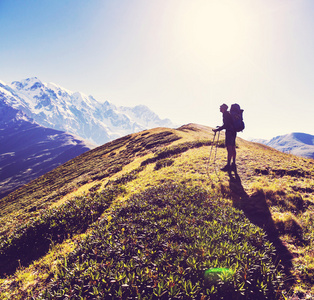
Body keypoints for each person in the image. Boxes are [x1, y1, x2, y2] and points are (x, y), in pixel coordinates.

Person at [213, 104, 237, 172]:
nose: (219, 109)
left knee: (229, 148)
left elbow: (226, 125)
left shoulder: (225, 114)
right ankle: (234, 164)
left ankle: (228, 165)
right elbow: (227, 124)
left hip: (229, 132)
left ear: (223, 108)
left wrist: (218, 129)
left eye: (220, 107)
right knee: (233, 147)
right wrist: (220, 127)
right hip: (233, 132)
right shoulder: (229, 114)